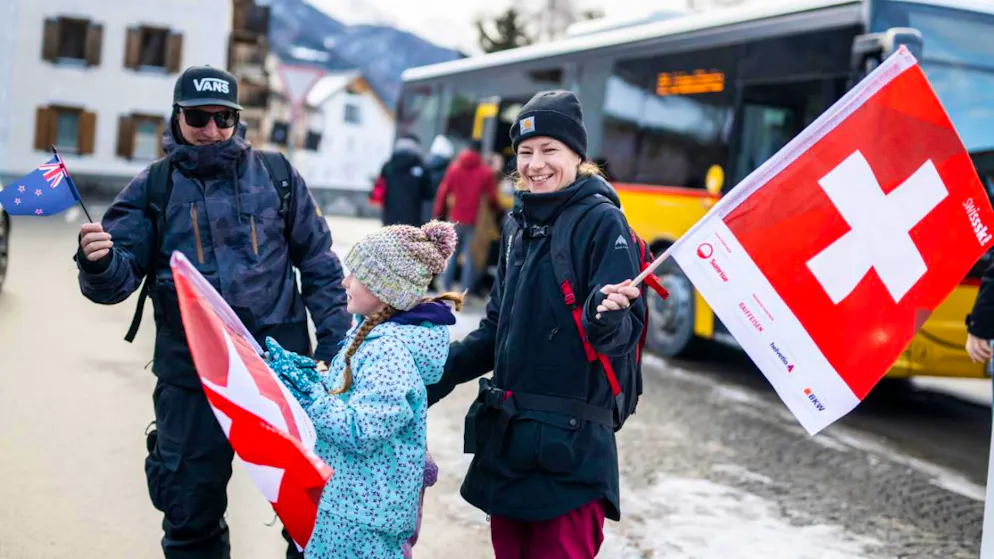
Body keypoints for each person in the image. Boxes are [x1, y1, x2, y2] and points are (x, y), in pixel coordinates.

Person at [75, 65, 352, 559]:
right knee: (189, 510)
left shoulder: (278, 175)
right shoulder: (153, 188)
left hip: (281, 372)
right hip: (193, 376)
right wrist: (98, 264)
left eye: (223, 117)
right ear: (177, 116)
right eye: (199, 117)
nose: (211, 129)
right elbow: (117, 282)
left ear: (237, 118)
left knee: (313, 510)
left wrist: (334, 349)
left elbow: (320, 266)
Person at [426, 90, 646, 558]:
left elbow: (620, 336)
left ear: (577, 156)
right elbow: (494, 332)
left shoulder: (604, 223)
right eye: (525, 152)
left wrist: (605, 314)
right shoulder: (517, 225)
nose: (535, 164)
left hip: (569, 455)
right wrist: (424, 381)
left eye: (550, 150)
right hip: (509, 444)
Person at [264, 220, 462, 558]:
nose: (345, 281)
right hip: (347, 503)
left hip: (363, 517)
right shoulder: (370, 334)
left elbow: (362, 429)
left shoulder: (389, 351)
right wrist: (308, 379)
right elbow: (348, 397)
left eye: (356, 274)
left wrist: (309, 397)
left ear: (384, 287)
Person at [431, 140, 501, 293]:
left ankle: (445, 287)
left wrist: (438, 213)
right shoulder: (486, 172)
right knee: (471, 256)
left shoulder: (454, 168)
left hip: (455, 217)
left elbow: (443, 191)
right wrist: (498, 210)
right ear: (480, 152)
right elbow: (492, 197)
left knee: (451, 254)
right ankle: (464, 291)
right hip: (475, 220)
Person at [376, 134, 435, 227]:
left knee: (390, 240)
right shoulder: (422, 167)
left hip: (389, 216)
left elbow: (381, 187)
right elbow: (428, 194)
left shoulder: (388, 165)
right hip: (413, 218)